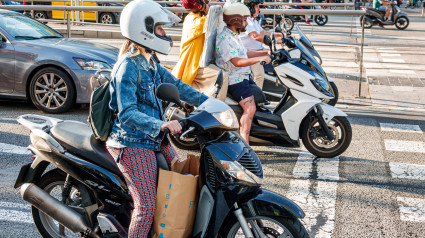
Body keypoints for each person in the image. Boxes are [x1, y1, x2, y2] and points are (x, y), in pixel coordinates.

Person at [106, 1, 208, 237]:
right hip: (131, 143)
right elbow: (127, 113)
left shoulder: (150, 61)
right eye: (160, 29)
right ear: (144, 29)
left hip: (154, 140)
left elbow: (177, 85)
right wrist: (161, 124)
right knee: (147, 205)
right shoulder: (128, 67)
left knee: (183, 181)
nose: (164, 33)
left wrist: (208, 102)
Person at [216, 2, 271, 144]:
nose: (247, 23)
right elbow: (237, 61)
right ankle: (245, 145)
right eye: (244, 19)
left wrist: (267, 52)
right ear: (236, 20)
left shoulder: (233, 35)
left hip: (244, 76)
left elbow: (245, 53)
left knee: (259, 99)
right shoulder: (225, 38)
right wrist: (260, 58)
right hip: (236, 79)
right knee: (250, 108)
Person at [172, 0, 229, 101]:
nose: (208, 4)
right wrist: (214, 10)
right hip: (192, 66)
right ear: (199, 5)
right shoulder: (192, 19)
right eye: (206, 2)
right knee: (222, 76)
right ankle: (216, 109)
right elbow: (208, 23)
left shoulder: (199, 17)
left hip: (200, 62)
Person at [241, 0, 284, 88]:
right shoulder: (247, 21)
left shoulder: (253, 21)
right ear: (250, 8)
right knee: (259, 74)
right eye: (257, 7)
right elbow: (255, 36)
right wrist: (273, 41)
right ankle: (256, 97)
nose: (259, 9)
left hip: (259, 49)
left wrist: (279, 35)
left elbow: (263, 32)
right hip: (251, 52)